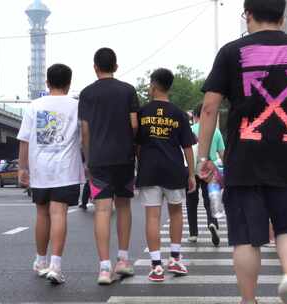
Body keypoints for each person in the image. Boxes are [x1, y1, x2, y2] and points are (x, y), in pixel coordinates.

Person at [196, 0, 287, 303]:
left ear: (248, 15)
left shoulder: (230, 52)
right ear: (284, 17)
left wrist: (203, 158)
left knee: (245, 237)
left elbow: (209, 107)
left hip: (244, 160)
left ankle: (248, 299)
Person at [17, 63, 85, 285]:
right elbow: (84, 137)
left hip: (40, 170)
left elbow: (25, 140)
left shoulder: (34, 106)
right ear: (69, 83)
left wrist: (22, 168)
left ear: (47, 82)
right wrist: (88, 162)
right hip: (66, 170)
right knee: (59, 214)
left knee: (42, 214)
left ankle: (40, 261)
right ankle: (55, 265)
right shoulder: (77, 106)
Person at [79, 47, 139, 285]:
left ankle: (104, 268)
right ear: (116, 66)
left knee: (102, 211)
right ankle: (123, 260)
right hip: (124, 157)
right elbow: (134, 124)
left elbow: (85, 130)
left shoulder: (86, 94)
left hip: (99, 160)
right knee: (124, 207)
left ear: (95, 67)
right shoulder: (128, 90)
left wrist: (88, 158)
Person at [136, 68, 197, 282]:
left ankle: (156, 266)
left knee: (152, 217)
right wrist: (191, 173)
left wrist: (139, 164)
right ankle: (175, 259)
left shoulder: (143, 112)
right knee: (176, 214)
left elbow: (138, 145)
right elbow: (188, 146)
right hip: (174, 170)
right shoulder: (178, 113)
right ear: (169, 87)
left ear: (153, 85)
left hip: (149, 170)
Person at [186, 103, 225, 246]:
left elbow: (186, 150)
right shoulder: (216, 131)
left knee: (191, 200)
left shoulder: (190, 130)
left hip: (193, 167)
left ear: (196, 116)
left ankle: (193, 233)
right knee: (210, 200)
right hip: (210, 168)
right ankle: (212, 222)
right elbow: (222, 153)